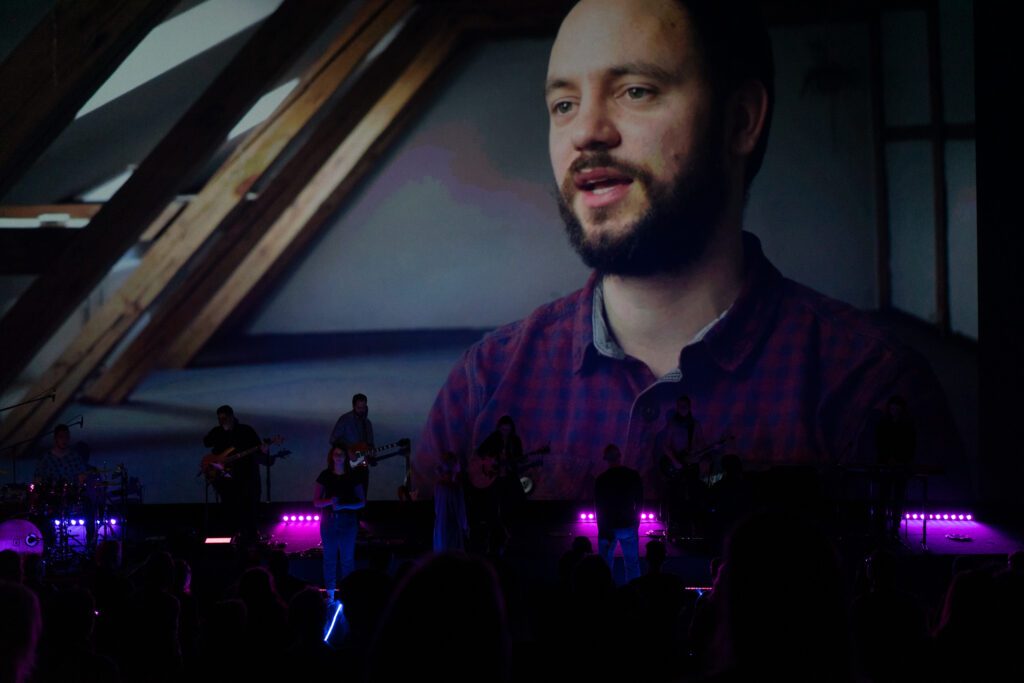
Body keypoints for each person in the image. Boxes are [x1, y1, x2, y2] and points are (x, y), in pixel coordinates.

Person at [413, 0, 958, 501]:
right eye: (564, 103)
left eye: (635, 91)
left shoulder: (869, 393)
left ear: (740, 119)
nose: (586, 131)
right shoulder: (484, 386)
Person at [202, 405, 269, 543]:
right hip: (226, 479)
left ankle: (251, 539)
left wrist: (263, 449)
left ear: (231, 416)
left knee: (249, 506)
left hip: (247, 476)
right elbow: (206, 442)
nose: (221, 421)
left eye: (224, 418)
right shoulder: (217, 431)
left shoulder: (246, 430)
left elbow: (258, 449)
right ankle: (232, 537)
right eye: (219, 418)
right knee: (230, 506)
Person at [313, 443, 367, 603]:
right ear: (331, 456)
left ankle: (348, 594)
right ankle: (330, 596)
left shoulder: (353, 476)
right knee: (329, 559)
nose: (338, 457)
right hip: (329, 522)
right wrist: (329, 501)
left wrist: (344, 505)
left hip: (348, 522)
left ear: (345, 457)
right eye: (336, 454)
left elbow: (362, 502)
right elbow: (316, 502)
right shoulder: (325, 475)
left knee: (347, 560)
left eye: (341, 454)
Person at [594, 444, 643, 582]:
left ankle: (605, 595)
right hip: (628, 525)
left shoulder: (601, 480)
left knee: (605, 566)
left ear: (606, 459)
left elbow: (599, 507)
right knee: (632, 564)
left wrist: (601, 529)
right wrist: (636, 523)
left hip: (608, 527)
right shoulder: (633, 475)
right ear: (620, 456)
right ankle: (633, 596)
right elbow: (640, 501)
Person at [873, 395, 916, 537]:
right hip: (886, 465)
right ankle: (880, 525)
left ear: (902, 409)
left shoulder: (907, 426)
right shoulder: (883, 424)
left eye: (897, 407)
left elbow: (910, 446)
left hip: (901, 466)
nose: (895, 410)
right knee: (883, 496)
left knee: (898, 497)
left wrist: (899, 460)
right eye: (893, 407)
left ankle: (895, 525)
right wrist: (887, 459)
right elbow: (879, 443)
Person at [433, 450, 468, 551]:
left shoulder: (438, 486)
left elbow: (436, 509)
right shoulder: (456, 488)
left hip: (440, 528)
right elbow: (461, 512)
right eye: (457, 462)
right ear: (453, 465)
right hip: (452, 529)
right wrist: (465, 529)